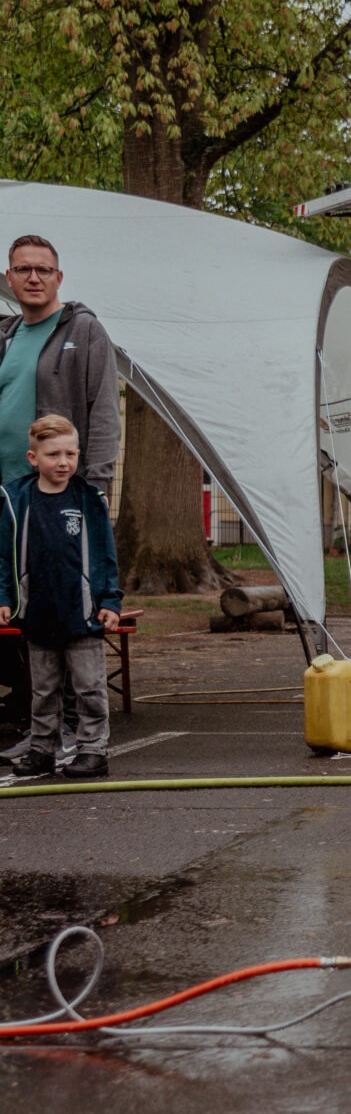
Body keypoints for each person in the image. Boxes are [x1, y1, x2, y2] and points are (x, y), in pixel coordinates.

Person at [0, 414, 122, 780]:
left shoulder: (89, 499)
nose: (63, 462)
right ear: (33, 457)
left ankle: (93, 750)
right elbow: (3, 556)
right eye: (53, 454)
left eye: (71, 453)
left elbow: (105, 554)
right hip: (37, 612)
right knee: (43, 689)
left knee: (88, 687)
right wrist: (4, 597)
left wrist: (110, 601)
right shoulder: (15, 500)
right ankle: (42, 749)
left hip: (82, 613)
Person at [0, 235, 122, 495]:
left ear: (59, 277)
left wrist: (97, 487)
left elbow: (104, 414)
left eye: (43, 270)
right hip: (7, 492)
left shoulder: (85, 330)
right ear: (9, 278)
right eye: (23, 269)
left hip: (59, 493)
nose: (34, 278)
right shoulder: (5, 337)